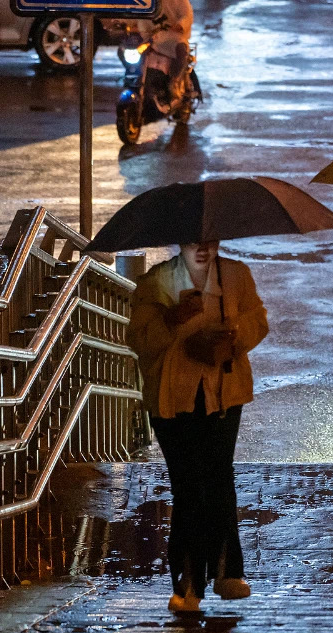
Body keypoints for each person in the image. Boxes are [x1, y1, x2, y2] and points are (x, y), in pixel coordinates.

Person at [128, 241, 268, 612]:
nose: (203, 248)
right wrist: (172, 319)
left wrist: (234, 334)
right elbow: (140, 341)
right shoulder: (156, 282)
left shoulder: (235, 276)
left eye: (209, 241)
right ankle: (187, 585)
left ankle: (227, 572)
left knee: (219, 477)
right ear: (181, 243)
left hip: (223, 394)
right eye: (194, 241)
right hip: (172, 400)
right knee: (188, 486)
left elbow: (258, 321)